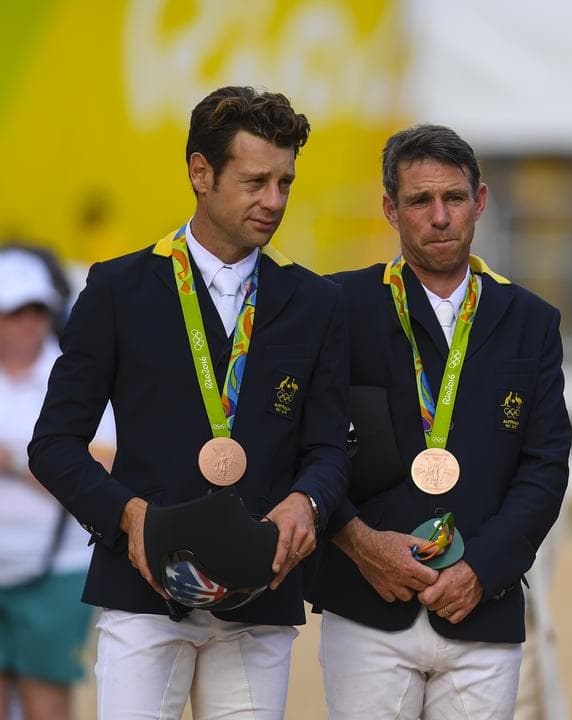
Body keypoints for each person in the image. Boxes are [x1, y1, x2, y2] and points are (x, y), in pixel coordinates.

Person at [27, 86, 349, 719]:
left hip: (263, 591)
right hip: (144, 594)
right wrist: (130, 518)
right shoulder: (117, 288)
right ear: (200, 173)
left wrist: (306, 501)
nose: (274, 201)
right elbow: (53, 446)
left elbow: (329, 446)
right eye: (256, 181)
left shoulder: (316, 303)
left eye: (285, 182)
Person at [308, 124, 571, 719]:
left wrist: (483, 568)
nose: (440, 217)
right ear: (389, 210)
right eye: (420, 201)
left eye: (454, 198)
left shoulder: (530, 321)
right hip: (366, 600)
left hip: (482, 605)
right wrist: (361, 544)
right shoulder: (337, 308)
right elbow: (310, 447)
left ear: (480, 201)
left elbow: (546, 466)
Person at [0, 246, 114, 720]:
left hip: (56, 568)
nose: (28, 323)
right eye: (14, 311)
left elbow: (105, 473)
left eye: (36, 310)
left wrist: (13, 461)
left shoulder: (74, 375)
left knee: (46, 701)